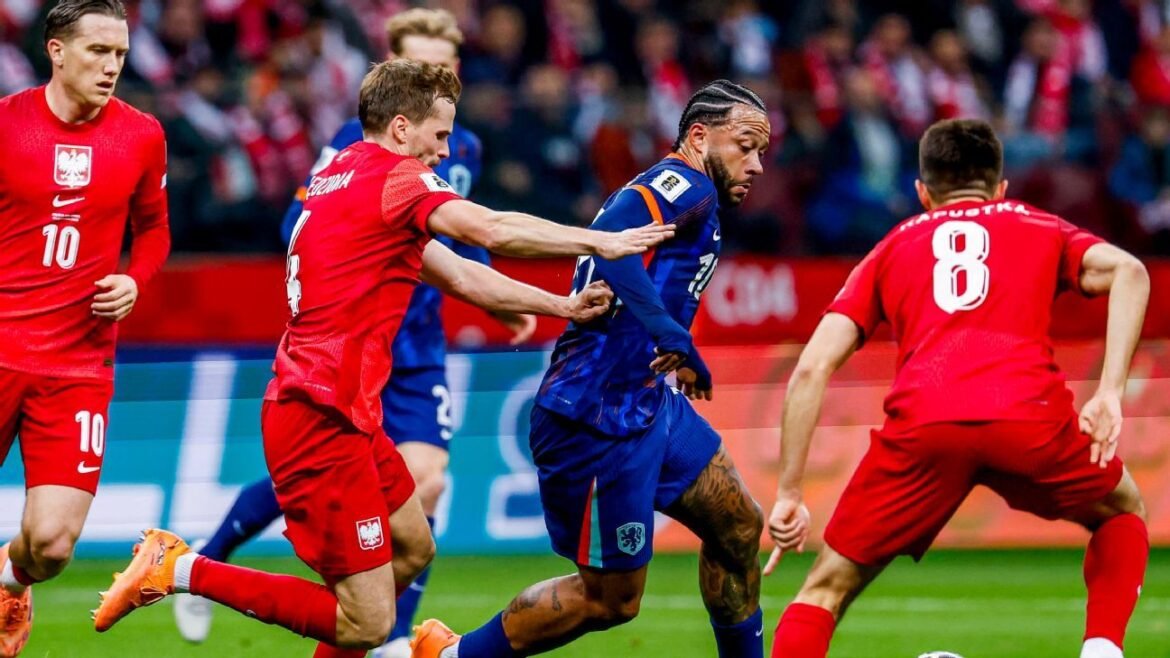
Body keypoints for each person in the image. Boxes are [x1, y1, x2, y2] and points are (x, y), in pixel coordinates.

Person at [92, 59, 673, 657]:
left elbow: (462, 276)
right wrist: (600, 240)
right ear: (401, 127)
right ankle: (181, 569)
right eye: (439, 135)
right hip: (318, 416)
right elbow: (491, 230)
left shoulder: (341, 174)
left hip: (344, 412)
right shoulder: (398, 180)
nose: (445, 152)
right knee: (366, 624)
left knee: (414, 548)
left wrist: (564, 306)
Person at [170, 12, 535, 656]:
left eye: (446, 62)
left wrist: (493, 295)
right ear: (395, 69)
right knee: (334, 468)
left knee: (426, 489)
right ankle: (209, 558)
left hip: (415, 344)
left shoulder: (461, 146)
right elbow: (300, 219)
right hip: (352, 338)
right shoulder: (354, 145)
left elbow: (458, 231)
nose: (437, 72)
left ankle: (387, 637)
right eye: (423, 61)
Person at [410, 80, 771, 658]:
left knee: (738, 528)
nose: (755, 165)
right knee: (611, 601)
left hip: (646, 400)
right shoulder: (687, 183)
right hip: (596, 416)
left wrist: (670, 342)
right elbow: (608, 238)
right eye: (745, 146)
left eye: (761, 152)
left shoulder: (690, 192)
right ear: (701, 137)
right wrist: (670, 332)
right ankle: (451, 655)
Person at [764, 119, 1150, 658]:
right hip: (1029, 417)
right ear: (1000, 188)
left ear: (923, 192)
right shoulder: (1039, 225)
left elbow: (810, 369)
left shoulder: (892, 246)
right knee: (1123, 512)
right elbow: (1131, 272)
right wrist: (1109, 392)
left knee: (825, 588)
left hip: (926, 426)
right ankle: (1102, 649)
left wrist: (789, 492)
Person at [0, 1, 170, 655]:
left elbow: (154, 229)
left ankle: (10, 579)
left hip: (78, 364)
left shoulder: (141, 135)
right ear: (57, 50)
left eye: (120, 53)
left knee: (51, 546)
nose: (111, 66)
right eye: (98, 50)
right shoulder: (8, 124)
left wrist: (136, 278)